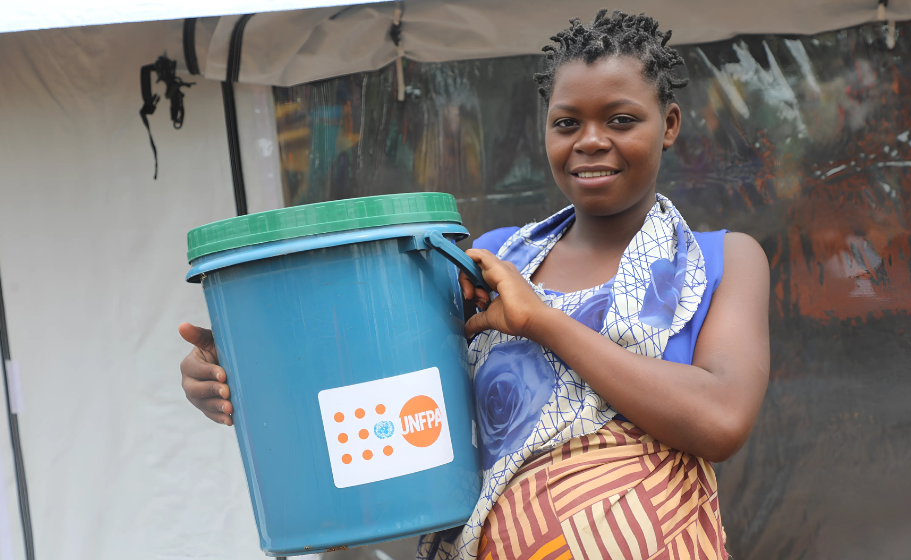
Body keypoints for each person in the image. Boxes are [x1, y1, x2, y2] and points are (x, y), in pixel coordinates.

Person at [180, 9, 769, 560]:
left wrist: (542, 321)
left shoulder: (720, 260)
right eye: (567, 123)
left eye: (620, 119)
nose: (590, 140)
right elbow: (370, 381)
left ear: (668, 124)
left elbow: (720, 420)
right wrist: (243, 367)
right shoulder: (490, 259)